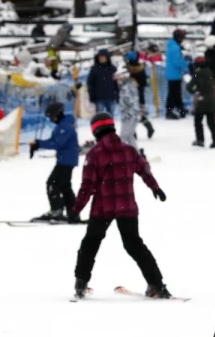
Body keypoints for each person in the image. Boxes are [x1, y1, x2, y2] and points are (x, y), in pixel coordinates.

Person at [71, 113, 170, 300]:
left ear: (95, 131)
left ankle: (81, 283)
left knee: (90, 244)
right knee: (134, 245)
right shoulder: (129, 150)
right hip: (127, 207)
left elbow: (87, 186)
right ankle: (156, 283)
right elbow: (144, 169)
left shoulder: (94, 154)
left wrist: (76, 209)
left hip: (102, 208)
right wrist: (155, 187)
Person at [29, 101, 80, 223]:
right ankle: (73, 213)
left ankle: (56, 211)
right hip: (66, 160)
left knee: (52, 183)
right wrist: (38, 143)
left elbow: (57, 143)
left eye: (51, 117)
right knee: (65, 187)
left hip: (66, 161)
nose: (51, 119)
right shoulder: (63, 125)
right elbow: (53, 140)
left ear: (57, 115)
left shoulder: (65, 127)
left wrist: (39, 144)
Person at [188, 55, 215, 148]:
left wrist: (195, 90)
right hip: (211, 100)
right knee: (211, 122)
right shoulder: (210, 71)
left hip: (201, 100)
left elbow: (190, 87)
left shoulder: (197, 73)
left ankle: (200, 140)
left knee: (198, 121)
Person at [116, 66, 142, 150]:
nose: (117, 81)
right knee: (130, 136)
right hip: (135, 114)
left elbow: (129, 102)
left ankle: (122, 156)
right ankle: (136, 155)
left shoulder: (125, 88)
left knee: (124, 136)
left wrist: (123, 108)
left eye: (119, 78)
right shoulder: (131, 85)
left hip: (129, 115)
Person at [165, 29, 189, 119]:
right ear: (178, 37)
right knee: (173, 93)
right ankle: (169, 111)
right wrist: (187, 64)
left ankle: (180, 107)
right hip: (174, 74)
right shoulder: (175, 48)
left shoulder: (173, 46)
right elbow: (177, 61)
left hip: (173, 73)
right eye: (182, 37)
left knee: (177, 93)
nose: (183, 39)